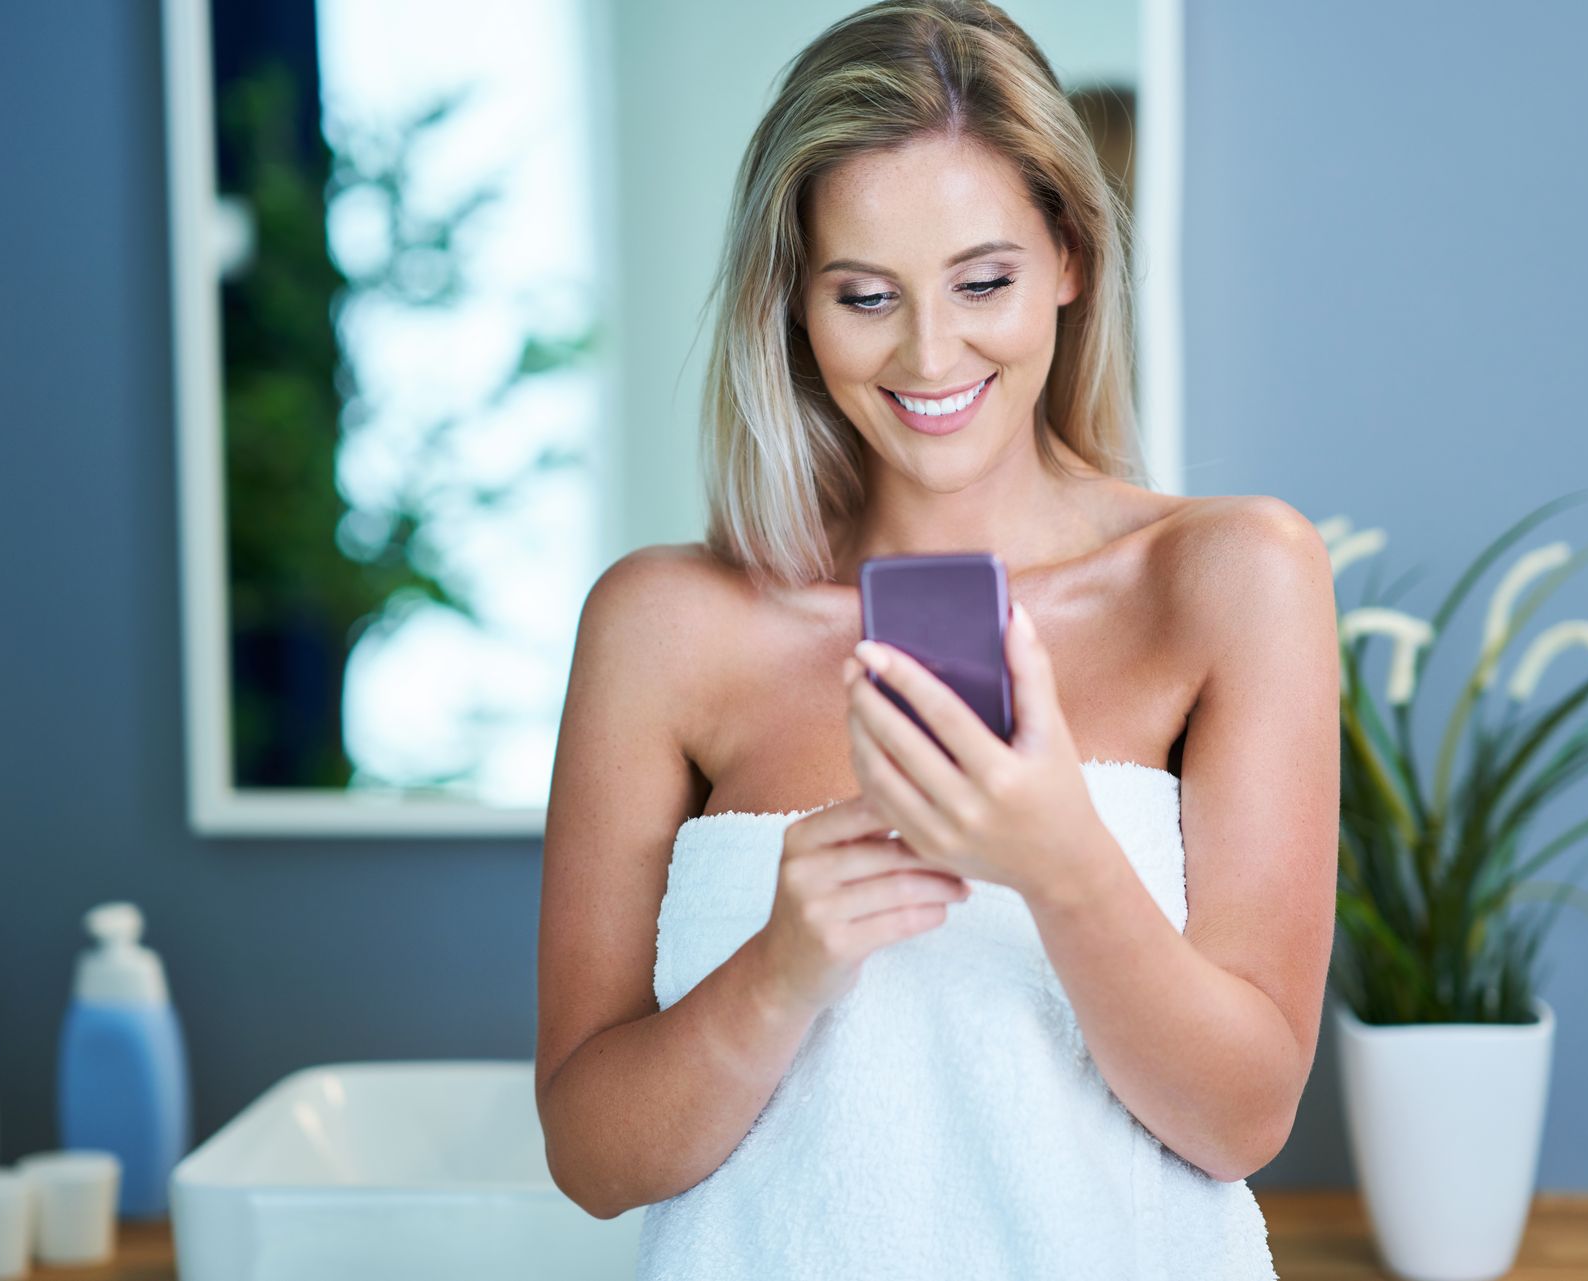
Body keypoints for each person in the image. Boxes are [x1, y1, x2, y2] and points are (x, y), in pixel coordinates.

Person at [534, 2, 1339, 1275]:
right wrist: (783, 968)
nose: (929, 352)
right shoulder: (662, 627)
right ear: (793, 303)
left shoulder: (1231, 580)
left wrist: (1062, 861)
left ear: (1069, 256)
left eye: (984, 281)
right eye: (865, 295)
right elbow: (591, 1158)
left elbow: (1243, 1116)